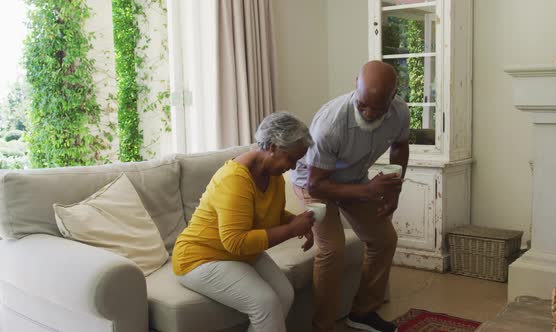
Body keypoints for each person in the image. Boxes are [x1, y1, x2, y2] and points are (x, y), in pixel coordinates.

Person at [291, 60, 410, 332]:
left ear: (393, 98)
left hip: (353, 178)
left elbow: (400, 146)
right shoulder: (331, 124)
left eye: (377, 108)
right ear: (355, 86)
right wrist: (368, 191)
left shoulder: (400, 112)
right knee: (333, 248)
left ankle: (363, 312)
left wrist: (395, 190)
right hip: (314, 184)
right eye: (362, 105)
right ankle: (323, 327)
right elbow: (317, 184)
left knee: (384, 238)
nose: (368, 113)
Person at [172, 112, 316, 332]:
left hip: (237, 255)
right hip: (199, 258)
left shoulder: (273, 174)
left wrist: (297, 221)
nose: (294, 167)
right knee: (265, 302)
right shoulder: (235, 179)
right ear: (274, 147)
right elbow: (235, 242)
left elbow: (273, 214)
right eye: (292, 159)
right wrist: (291, 229)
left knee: (284, 294)